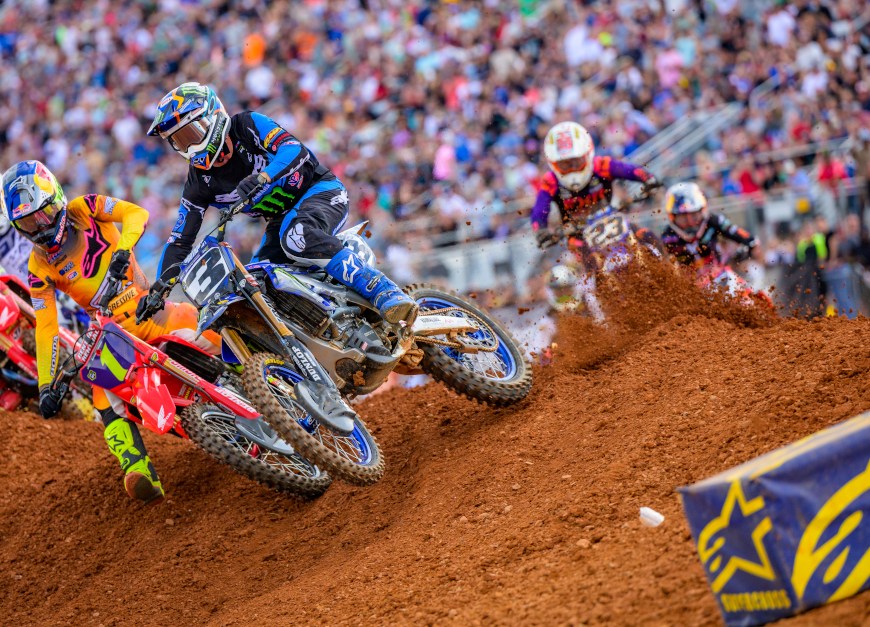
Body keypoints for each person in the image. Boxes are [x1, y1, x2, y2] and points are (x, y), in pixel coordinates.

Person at [2, 160, 205, 505]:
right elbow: (47, 327)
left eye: (42, 215)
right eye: (27, 223)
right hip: (109, 331)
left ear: (56, 200)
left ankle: (263, 375)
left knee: (201, 328)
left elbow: (137, 214)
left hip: (146, 307)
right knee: (102, 395)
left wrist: (123, 249)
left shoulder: (86, 207)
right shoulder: (38, 266)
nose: (39, 227)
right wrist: (47, 385)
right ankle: (138, 470)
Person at [137, 82, 417, 326]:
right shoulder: (197, 182)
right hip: (281, 220)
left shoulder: (247, 125)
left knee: (296, 236)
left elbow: (295, 150)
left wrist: (263, 177)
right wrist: (158, 289)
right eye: (179, 141)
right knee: (254, 285)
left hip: (319, 191)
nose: (189, 146)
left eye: (191, 134)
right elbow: (180, 240)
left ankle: (382, 289)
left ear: (213, 116)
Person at [530, 121, 661, 252]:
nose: (572, 168)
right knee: (585, 255)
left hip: (612, 221)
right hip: (577, 235)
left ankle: (669, 262)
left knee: (646, 235)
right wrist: (540, 230)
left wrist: (648, 178)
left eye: (576, 162)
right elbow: (539, 210)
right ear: (554, 164)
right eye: (564, 164)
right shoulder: (550, 181)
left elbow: (629, 170)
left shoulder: (600, 165)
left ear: (587, 155)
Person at [660, 182, 758, 266]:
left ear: (702, 210)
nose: (690, 222)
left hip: (719, 274)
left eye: (694, 215)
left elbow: (749, 240)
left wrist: (741, 256)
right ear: (673, 216)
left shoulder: (713, 221)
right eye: (684, 217)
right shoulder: (667, 236)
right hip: (688, 279)